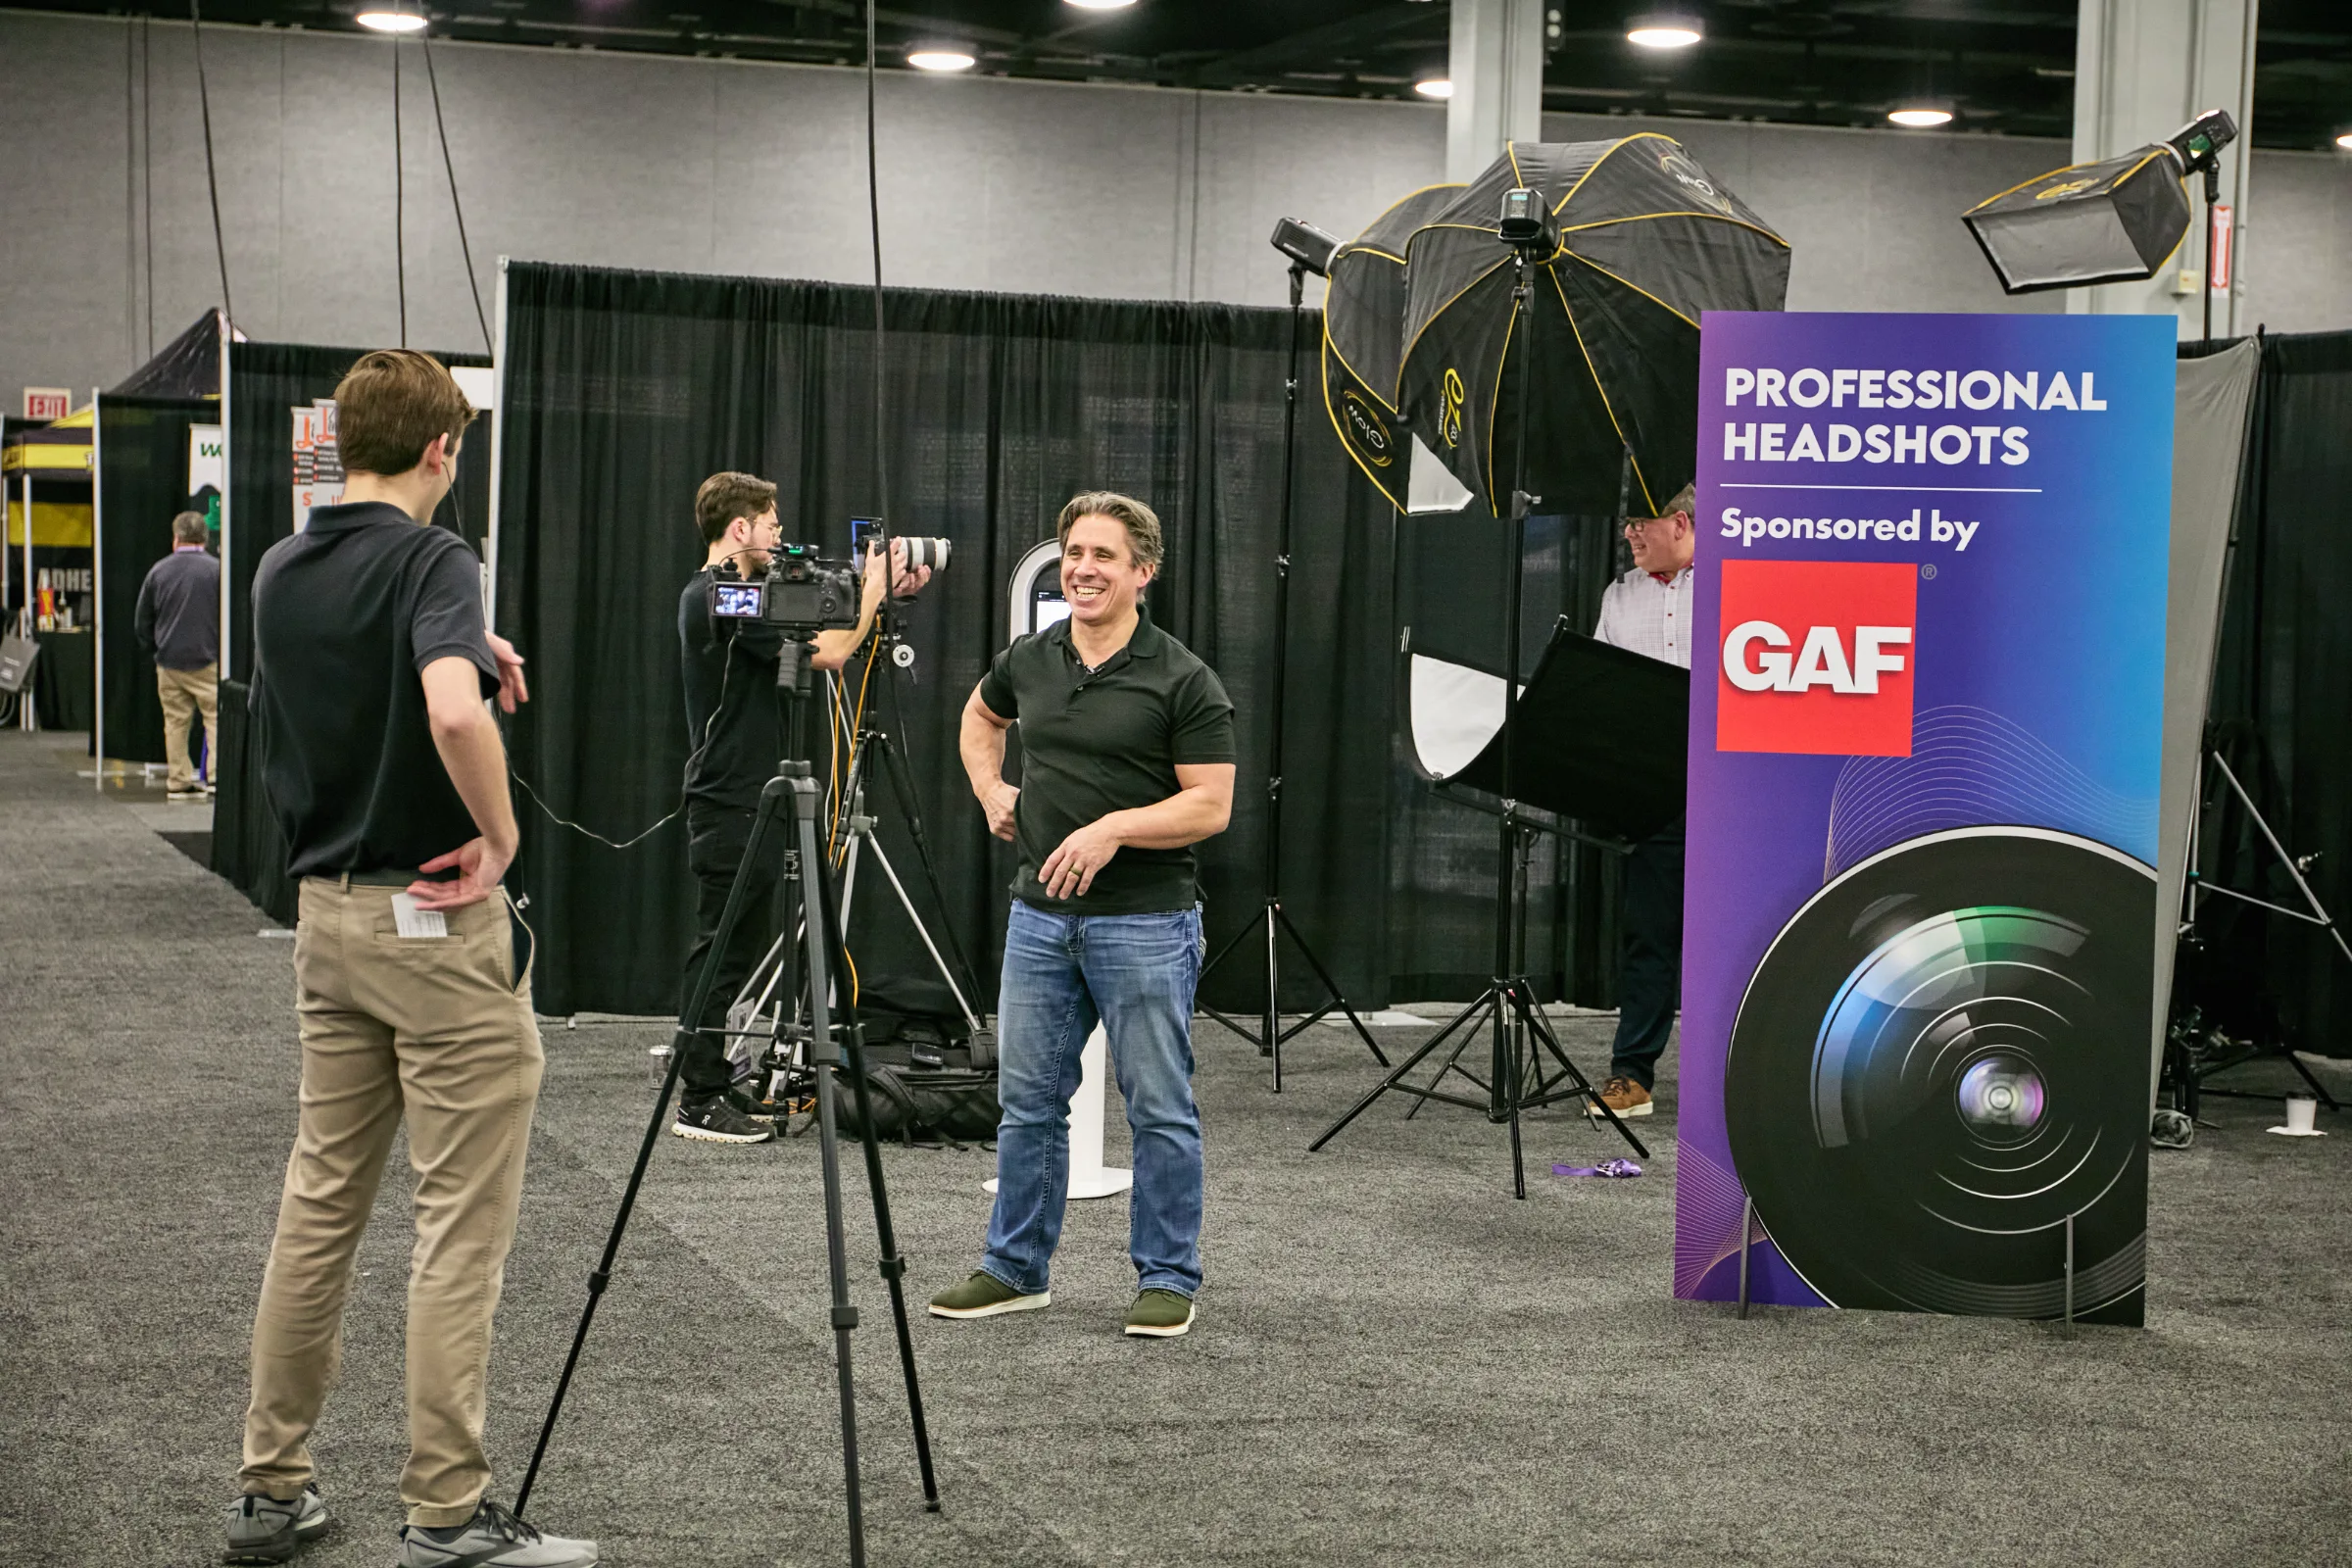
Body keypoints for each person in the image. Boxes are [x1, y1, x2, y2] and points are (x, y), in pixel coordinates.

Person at [228, 350, 594, 1568]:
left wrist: (459, 643)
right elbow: (447, 711)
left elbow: (364, 678)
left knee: (319, 1206)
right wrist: (500, 835)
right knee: (458, 1228)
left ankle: (273, 1489)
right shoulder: (440, 557)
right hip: (434, 926)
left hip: (325, 919)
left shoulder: (283, 563)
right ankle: (445, 1512)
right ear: (446, 448)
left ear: (345, 442)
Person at [929, 491, 1235, 1340]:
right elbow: (980, 717)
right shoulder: (1030, 658)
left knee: (1159, 1106)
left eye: (1104, 555)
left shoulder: (1184, 678)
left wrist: (1111, 830)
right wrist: (991, 789)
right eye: (1074, 553)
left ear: (1143, 571)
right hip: (1040, 919)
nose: (1083, 568)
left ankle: (1168, 1278)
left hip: (1146, 921)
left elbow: (1210, 806)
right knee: (1027, 1101)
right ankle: (1014, 1268)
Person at [670, 472, 930, 1145]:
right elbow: (834, 651)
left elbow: (824, 620)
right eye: (772, 525)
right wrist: (871, 588)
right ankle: (697, 1097)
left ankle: (715, 1076)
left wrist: (877, 594)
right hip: (731, 796)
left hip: (755, 792)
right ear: (739, 530)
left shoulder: (745, 595)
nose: (780, 536)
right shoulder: (721, 594)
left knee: (741, 942)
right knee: (722, 947)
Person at [1588, 480, 1695, 1120]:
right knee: (1649, 934)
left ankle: (1739, 1075)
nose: (1629, 535)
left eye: (1639, 524)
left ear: (1680, 523)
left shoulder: (1747, 583)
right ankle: (1632, 1074)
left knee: (1743, 936)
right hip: (1655, 793)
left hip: (1737, 793)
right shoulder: (1619, 597)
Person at [134, 508, 220, 799]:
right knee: (215, 719)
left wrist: (155, 650)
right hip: (209, 659)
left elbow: (142, 621)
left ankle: (178, 779)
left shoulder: (158, 571)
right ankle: (216, 777)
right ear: (205, 539)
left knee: (175, 722)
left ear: (176, 538)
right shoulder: (218, 570)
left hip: (169, 661)